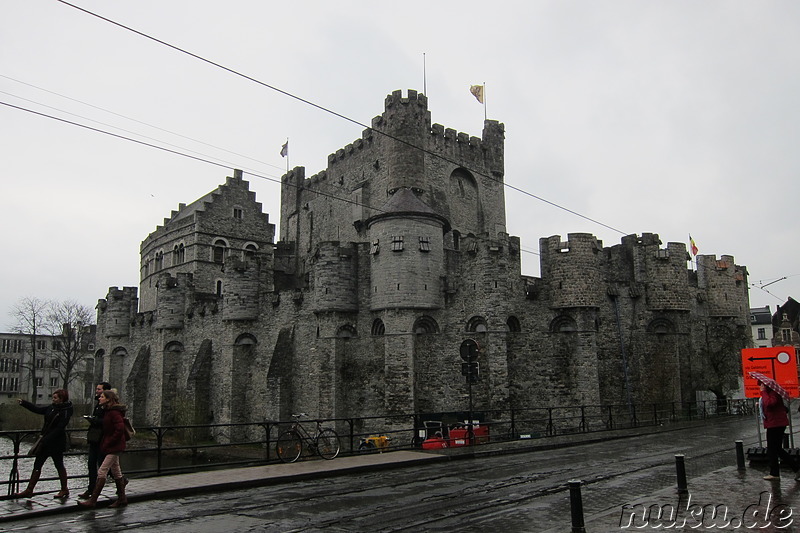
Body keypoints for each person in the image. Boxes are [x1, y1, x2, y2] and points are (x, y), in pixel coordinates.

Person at [13, 389, 74, 499]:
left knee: (59, 464)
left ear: (62, 399)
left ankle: (64, 489)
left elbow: (60, 428)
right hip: (46, 441)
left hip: (56, 442)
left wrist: (46, 439)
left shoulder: (66, 411)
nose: (53, 400)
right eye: (53, 398)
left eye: (55, 398)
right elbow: (38, 409)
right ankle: (29, 489)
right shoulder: (51, 408)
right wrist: (24, 403)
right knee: (38, 464)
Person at [78, 390, 128, 508]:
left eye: (101, 396)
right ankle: (122, 498)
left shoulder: (114, 412)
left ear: (108, 399)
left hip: (114, 446)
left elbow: (119, 429)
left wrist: (109, 442)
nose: (99, 398)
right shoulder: (108, 411)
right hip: (113, 445)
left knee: (102, 471)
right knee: (116, 471)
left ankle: (93, 500)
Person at [759, 381, 800, 481]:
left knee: (773, 449)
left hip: (776, 425)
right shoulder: (771, 393)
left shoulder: (773, 393)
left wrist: (763, 393)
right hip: (774, 424)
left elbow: (770, 403)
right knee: (776, 449)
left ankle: (776, 473)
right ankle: (794, 469)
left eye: (762, 385)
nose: (760, 387)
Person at [78, 382, 112, 499]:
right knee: (91, 464)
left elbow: (107, 422)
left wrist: (95, 420)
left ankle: (120, 482)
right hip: (94, 438)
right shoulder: (98, 403)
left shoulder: (109, 406)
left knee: (103, 466)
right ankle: (91, 489)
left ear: (106, 391)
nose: (97, 391)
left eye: (99, 389)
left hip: (102, 439)